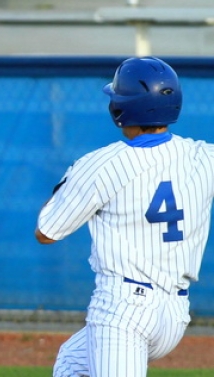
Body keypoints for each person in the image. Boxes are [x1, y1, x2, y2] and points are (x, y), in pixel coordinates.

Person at [35, 56, 214, 377]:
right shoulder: (203, 155)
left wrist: (70, 183)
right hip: (174, 315)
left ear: (120, 109)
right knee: (73, 363)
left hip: (123, 309)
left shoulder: (102, 164)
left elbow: (46, 232)